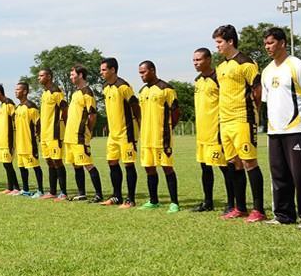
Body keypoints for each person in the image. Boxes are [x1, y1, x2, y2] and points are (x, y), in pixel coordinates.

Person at [261, 27, 301, 230]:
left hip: (297, 130)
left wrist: (300, 118)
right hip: (274, 131)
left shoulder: (298, 66)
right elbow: (267, 101)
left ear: (283, 43)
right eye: (266, 43)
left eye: (271, 42)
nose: (267, 47)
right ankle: (283, 214)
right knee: (278, 174)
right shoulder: (267, 71)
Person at [213, 25, 267, 223]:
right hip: (225, 121)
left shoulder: (246, 63)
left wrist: (255, 112)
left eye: (219, 42)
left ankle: (259, 209)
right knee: (233, 163)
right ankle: (240, 207)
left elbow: (258, 89)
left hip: (243, 119)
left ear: (230, 41)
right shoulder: (221, 67)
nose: (217, 46)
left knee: (248, 162)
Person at [190, 48, 236, 214]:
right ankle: (207, 201)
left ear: (209, 59)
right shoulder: (198, 80)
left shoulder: (218, 78)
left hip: (216, 132)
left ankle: (232, 202)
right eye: (194, 60)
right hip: (202, 133)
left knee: (224, 167)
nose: (196, 63)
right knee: (205, 168)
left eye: (199, 60)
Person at [137, 61, 181, 213]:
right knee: (149, 169)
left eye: (144, 72)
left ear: (153, 70)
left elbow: (176, 113)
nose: (141, 76)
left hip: (162, 138)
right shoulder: (142, 91)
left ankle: (174, 202)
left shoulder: (166, 89)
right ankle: (153, 200)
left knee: (167, 168)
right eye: (140, 73)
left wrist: (167, 129)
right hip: (146, 138)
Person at [99, 57, 141, 207]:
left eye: (104, 69)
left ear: (112, 70)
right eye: (101, 69)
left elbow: (135, 106)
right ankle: (117, 196)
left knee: (128, 164)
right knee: (112, 162)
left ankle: (130, 199)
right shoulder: (105, 87)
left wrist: (140, 125)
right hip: (113, 134)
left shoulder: (123, 86)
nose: (101, 72)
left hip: (126, 133)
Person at [63, 65, 104, 203]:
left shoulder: (87, 93)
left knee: (88, 164)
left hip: (80, 135)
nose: (71, 76)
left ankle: (99, 194)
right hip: (70, 136)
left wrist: (89, 131)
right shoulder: (75, 93)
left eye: (72, 74)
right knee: (76, 164)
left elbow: (92, 115)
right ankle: (82, 193)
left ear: (80, 75)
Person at [37, 68, 69, 200]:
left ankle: (63, 192)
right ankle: (52, 191)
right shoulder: (44, 93)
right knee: (49, 162)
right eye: (38, 76)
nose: (39, 78)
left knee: (57, 162)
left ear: (49, 77)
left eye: (41, 75)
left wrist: (65, 127)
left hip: (54, 133)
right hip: (45, 134)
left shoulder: (56, 92)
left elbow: (65, 108)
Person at [0, 84, 21, 195]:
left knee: (8, 163)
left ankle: (16, 188)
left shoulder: (9, 104)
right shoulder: (2, 105)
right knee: (5, 164)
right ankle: (10, 187)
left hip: (9, 140)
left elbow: (16, 119)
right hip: (2, 140)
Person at [14, 82, 44, 197]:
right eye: (15, 89)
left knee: (35, 167)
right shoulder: (18, 108)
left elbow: (38, 124)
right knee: (22, 167)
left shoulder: (31, 107)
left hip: (30, 144)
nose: (16, 91)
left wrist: (38, 138)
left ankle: (40, 190)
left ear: (25, 91)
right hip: (20, 144)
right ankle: (25, 189)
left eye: (18, 89)